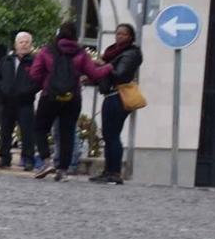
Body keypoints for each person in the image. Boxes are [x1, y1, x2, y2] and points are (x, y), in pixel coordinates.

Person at [28, 20, 109, 182]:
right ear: (75, 35)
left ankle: (46, 161)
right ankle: (63, 171)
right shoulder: (81, 53)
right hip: (73, 98)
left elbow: (34, 74)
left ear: (58, 33)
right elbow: (94, 74)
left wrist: (48, 81)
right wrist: (109, 67)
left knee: (40, 128)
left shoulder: (47, 51)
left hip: (49, 96)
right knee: (67, 133)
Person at [92, 23, 144, 185]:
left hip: (118, 96)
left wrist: (103, 65)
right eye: (118, 33)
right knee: (108, 135)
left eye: (123, 34)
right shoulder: (113, 51)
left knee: (113, 134)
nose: (119, 36)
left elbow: (120, 74)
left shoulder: (131, 53)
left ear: (130, 37)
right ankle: (108, 170)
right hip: (110, 94)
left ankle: (114, 172)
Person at [0, 31, 40, 172]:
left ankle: (28, 160)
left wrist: (28, 91)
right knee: (5, 131)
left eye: (27, 42)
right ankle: (4, 158)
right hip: (7, 102)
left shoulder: (34, 62)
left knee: (27, 133)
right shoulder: (6, 60)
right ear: (16, 44)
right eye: (21, 42)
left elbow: (39, 81)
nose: (24, 45)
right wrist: (1, 88)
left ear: (31, 45)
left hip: (25, 102)